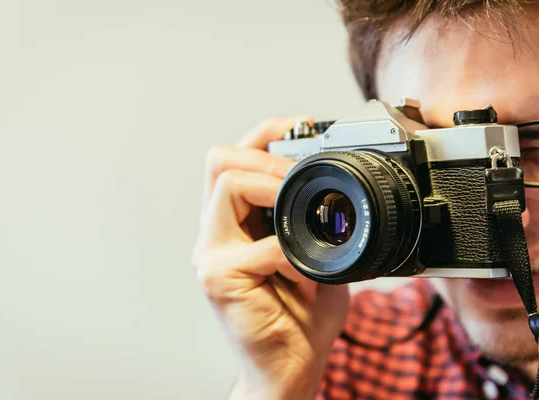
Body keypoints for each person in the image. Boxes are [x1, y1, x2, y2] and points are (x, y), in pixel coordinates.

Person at [192, 1, 539, 398]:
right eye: (439, 154)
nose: (510, 220)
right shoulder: (344, 355)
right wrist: (275, 383)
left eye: (534, 148)